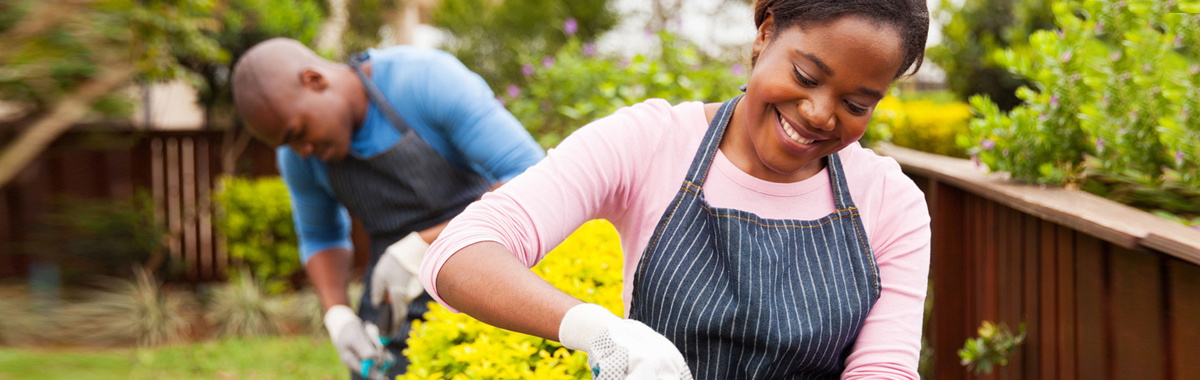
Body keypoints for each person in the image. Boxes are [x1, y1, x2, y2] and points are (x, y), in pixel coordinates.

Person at [419, 0, 932, 378]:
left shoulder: (890, 201)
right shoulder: (651, 142)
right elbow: (460, 253)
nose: (820, 113)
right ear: (765, 32)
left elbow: (883, 369)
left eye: (857, 104)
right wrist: (597, 330)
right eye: (805, 75)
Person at [230, 38, 545, 379]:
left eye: (299, 132)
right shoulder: (298, 157)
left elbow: (530, 175)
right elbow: (321, 236)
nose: (302, 150)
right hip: (391, 292)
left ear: (315, 80)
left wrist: (421, 247)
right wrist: (337, 315)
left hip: (488, 267)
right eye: (288, 143)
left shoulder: (424, 80)